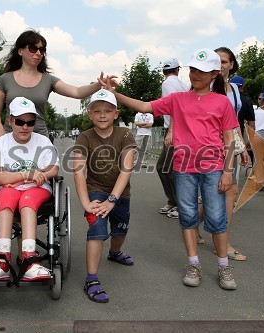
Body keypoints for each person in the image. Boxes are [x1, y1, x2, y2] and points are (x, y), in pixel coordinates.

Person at [99, 48, 241, 290]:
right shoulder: (178, 100)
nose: (196, 75)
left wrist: (227, 171)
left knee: (217, 217)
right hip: (183, 168)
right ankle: (193, 263)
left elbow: (229, 139)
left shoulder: (222, 102)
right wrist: (115, 94)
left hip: (214, 167)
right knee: (187, 216)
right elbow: (144, 106)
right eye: (193, 69)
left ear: (215, 73)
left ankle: (223, 265)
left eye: (203, 71)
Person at [0, 97, 59, 281]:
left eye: (30, 122)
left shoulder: (43, 141)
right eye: (20, 121)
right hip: (9, 188)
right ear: (10, 121)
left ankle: (29, 258)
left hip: (37, 189)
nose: (25, 126)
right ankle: (3, 259)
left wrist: (39, 175)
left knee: (27, 200)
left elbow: (54, 168)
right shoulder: (1, 143)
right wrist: (26, 175)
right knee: (6, 197)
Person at [72, 89, 136, 303]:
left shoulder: (125, 134)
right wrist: (86, 203)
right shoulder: (85, 136)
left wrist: (113, 200)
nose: (102, 115)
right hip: (95, 191)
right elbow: (78, 171)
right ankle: (91, 279)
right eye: (97, 111)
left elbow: (126, 169)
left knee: (120, 230)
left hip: (119, 193)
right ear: (89, 113)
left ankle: (115, 252)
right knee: (97, 230)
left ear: (116, 114)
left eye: (107, 111)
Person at [0, 29, 109, 139]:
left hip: (40, 140)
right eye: (33, 48)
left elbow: (77, 92)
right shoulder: (5, 79)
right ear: (20, 51)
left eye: (42, 49)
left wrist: (98, 85)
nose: (38, 53)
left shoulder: (48, 79)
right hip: (10, 139)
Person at [214, 47, 251, 262]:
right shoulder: (205, 86)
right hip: (208, 145)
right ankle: (192, 222)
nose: (220, 66)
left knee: (230, 191)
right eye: (216, 61)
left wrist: (242, 147)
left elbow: (234, 122)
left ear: (231, 65)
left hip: (229, 145)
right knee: (215, 191)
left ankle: (225, 243)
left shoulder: (235, 91)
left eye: (224, 62)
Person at [157, 58, 189, 219]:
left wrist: (171, 131)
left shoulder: (167, 84)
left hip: (175, 131)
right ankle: (173, 201)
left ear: (164, 72)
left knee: (167, 168)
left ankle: (179, 203)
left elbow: (174, 107)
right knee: (167, 168)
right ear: (177, 69)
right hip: (182, 130)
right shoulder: (184, 85)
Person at [229, 76, 255, 166]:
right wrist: (249, 141)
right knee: (233, 169)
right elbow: (251, 124)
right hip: (239, 135)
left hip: (222, 136)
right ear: (243, 86)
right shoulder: (247, 102)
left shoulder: (223, 97)